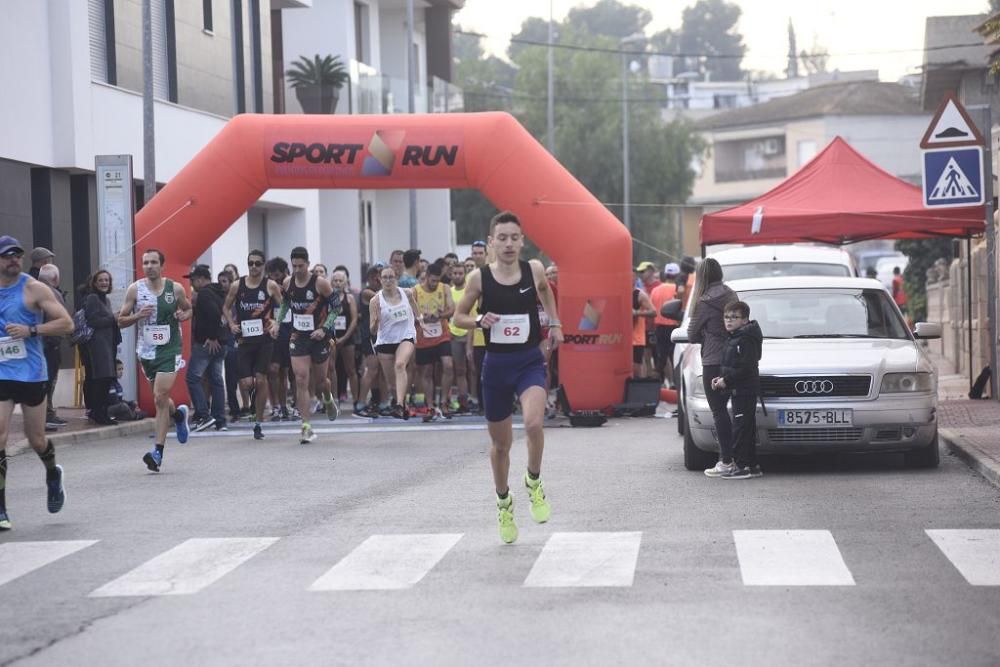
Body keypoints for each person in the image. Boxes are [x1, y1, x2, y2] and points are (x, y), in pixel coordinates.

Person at [454, 211, 563, 545]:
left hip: (529, 361)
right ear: (491, 243)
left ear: (522, 241)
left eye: (514, 238)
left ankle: (533, 481)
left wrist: (555, 323)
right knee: (501, 446)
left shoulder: (534, 270)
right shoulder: (478, 279)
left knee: (533, 424)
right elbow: (458, 317)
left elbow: (545, 291)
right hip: (496, 366)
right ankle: (504, 501)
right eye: (502, 238)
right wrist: (478, 321)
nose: (509, 244)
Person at [0, 236, 72, 531]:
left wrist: (32, 329)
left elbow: (67, 324)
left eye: (17, 255)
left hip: (31, 374)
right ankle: (1, 509)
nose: (14, 260)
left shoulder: (34, 288)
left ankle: (52, 473)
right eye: (7, 256)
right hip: (2, 373)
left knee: (36, 439)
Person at [118, 248, 193, 473]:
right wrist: (138, 316)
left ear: (162, 266)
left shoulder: (175, 288)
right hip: (147, 351)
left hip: (170, 349)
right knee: (161, 399)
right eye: (145, 263)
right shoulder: (135, 289)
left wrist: (183, 315)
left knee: (160, 397)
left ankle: (157, 453)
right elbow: (121, 320)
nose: (149, 266)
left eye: (153, 262)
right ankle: (179, 415)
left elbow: (189, 309)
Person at [276, 247, 341, 444]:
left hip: (319, 337)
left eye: (300, 266)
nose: (297, 270)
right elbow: (285, 303)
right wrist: (278, 322)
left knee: (322, 381)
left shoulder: (320, 283)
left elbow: (336, 306)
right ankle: (306, 426)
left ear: (308, 264)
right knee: (301, 378)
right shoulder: (288, 282)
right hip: (298, 336)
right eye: (293, 266)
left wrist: (324, 328)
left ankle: (328, 399)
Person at [687, 257, 738, 478]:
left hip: (713, 361)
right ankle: (743, 458)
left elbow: (691, 333)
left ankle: (726, 460)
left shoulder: (704, 302)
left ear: (702, 277)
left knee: (719, 412)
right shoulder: (732, 294)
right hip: (736, 358)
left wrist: (706, 336)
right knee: (740, 411)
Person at [224, 250, 282, 440]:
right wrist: (232, 324)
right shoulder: (237, 285)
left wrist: (276, 323)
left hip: (264, 340)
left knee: (261, 379)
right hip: (244, 340)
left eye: (258, 263)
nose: (254, 267)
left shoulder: (270, 285)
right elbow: (226, 307)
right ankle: (252, 407)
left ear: (263, 265)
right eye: (251, 263)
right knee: (247, 382)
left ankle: (258, 420)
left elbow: (283, 306)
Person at [711, 301, 763, 479]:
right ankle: (752, 465)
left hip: (744, 390)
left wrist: (727, 380)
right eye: (726, 317)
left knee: (740, 429)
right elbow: (733, 365)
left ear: (745, 320)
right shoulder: (735, 336)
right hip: (739, 389)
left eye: (734, 317)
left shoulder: (745, 339)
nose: (729, 321)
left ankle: (741, 467)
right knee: (746, 428)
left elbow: (746, 367)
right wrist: (721, 378)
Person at [370, 265, 418, 419]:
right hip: (385, 341)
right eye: (385, 277)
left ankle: (398, 404)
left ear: (396, 278)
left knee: (400, 365)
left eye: (391, 277)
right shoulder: (375, 300)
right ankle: (402, 404)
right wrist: (376, 322)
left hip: (406, 336)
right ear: (380, 280)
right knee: (392, 384)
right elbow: (372, 330)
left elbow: (416, 309)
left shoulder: (407, 293)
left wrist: (422, 321)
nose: (388, 280)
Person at [185, 265, 228, 433]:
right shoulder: (219, 292)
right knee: (216, 380)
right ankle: (220, 420)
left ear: (201, 279)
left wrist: (211, 336)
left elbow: (213, 314)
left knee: (192, 378)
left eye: (193, 280)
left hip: (206, 343)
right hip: (222, 343)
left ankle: (204, 415)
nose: (192, 284)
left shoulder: (204, 293)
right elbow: (223, 315)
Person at [79, 270, 121, 425]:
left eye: (107, 280)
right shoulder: (92, 298)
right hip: (96, 345)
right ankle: (97, 412)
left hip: (107, 344)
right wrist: (113, 317)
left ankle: (102, 412)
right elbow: (93, 321)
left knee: (106, 379)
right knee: (100, 379)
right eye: (101, 280)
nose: (104, 283)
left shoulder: (106, 300)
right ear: (94, 283)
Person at [413, 261, 455, 418]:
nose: (435, 283)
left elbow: (452, 309)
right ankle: (430, 405)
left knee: (448, 365)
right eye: (433, 280)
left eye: (438, 280)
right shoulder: (416, 291)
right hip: (423, 336)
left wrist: (440, 315)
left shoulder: (444, 288)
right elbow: (410, 315)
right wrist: (423, 318)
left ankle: (444, 402)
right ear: (427, 277)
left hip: (441, 334)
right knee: (427, 372)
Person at [37, 264, 68, 430]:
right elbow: (63, 321)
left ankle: (42, 415)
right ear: (55, 278)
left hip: (35, 343)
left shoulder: (30, 290)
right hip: (50, 344)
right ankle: (46, 415)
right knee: (48, 381)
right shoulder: (52, 294)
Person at [266, 257, 294, 422]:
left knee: (288, 373)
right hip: (273, 336)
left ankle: (288, 406)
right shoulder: (268, 291)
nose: (276, 280)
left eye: (278, 276)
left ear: (285, 273)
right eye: (272, 277)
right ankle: (275, 405)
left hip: (290, 334)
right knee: (273, 370)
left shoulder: (292, 290)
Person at [328, 269, 359, 412]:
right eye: (335, 280)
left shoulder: (350, 298)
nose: (338, 283)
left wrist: (345, 337)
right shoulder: (326, 298)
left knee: (351, 369)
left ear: (345, 283)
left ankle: (357, 401)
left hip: (347, 337)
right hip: (331, 338)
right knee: (331, 368)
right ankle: (334, 400)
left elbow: (354, 320)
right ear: (331, 282)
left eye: (341, 281)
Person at [217, 270, 243, 422]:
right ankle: (234, 409)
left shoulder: (238, 299)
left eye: (225, 281)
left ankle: (250, 406)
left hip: (237, 339)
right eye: (219, 281)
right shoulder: (218, 299)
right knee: (230, 378)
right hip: (224, 340)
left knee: (244, 376)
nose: (222, 284)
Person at [448, 261, 473, 413]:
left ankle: (475, 398)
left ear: (465, 275)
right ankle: (462, 401)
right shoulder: (449, 291)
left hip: (469, 333)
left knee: (474, 369)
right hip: (453, 334)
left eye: (460, 273)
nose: (457, 276)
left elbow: (471, 314)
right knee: (459, 370)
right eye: (455, 273)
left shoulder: (470, 292)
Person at [650, 263, 680, 384]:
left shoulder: (655, 290)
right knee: (675, 357)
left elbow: (652, 309)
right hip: (675, 328)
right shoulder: (677, 289)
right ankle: (676, 384)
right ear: (677, 275)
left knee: (661, 356)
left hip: (659, 327)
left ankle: (658, 383)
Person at [631, 285, 655, 378]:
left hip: (636, 339)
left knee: (636, 370)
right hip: (619, 339)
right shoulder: (616, 292)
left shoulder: (638, 294)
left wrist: (637, 313)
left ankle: (638, 388)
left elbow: (653, 312)